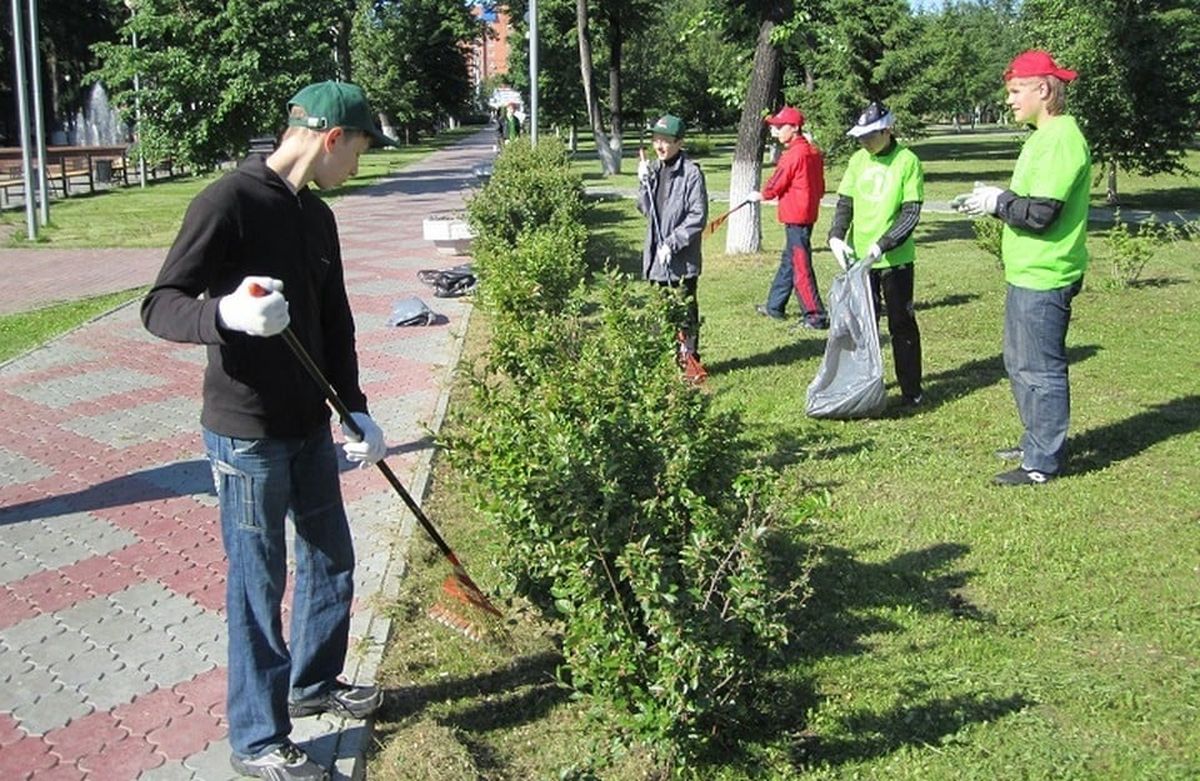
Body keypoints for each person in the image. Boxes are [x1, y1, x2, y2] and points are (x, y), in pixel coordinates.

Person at [141, 80, 395, 780]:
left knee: (331, 560)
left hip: (310, 426)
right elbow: (160, 306)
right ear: (332, 138)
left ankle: (313, 683)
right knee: (258, 583)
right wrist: (223, 314)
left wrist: (357, 407)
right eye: (362, 152)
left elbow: (334, 324)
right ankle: (257, 738)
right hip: (245, 434)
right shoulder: (228, 202)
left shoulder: (318, 218)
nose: (359, 169)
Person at [954, 50, 1090, 486]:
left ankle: (1041, 464)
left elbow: (1041, 213)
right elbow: (1025, 206)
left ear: (1044, 90)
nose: (1010, 100)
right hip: (1026, 273)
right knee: (1019, 363)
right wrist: (993, 204)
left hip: (1047, 275)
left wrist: (1000, 201)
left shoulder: (1061, 139)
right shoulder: (1039, 137)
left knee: (1040, 369)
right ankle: (1036, 441)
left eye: (1015, 91)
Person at [828, 100, 925, 407]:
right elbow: (845, 202)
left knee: (901, 325)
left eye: (870, 136)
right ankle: (865, 384)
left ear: (887, 130)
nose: (864, 142)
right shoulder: (858, 160)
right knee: (861, 326)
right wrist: (835, 236)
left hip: (894, 261)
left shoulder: (907, 161)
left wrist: (883, 243)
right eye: (861, 137)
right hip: (859, 261)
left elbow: (910, 214)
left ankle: (911, 390)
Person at [636, 113, 709, 377]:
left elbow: (697, 216)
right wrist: (643, 183)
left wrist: (673, 243)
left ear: (679, 142)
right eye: (656, 140)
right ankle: (667, 361)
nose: (660, 146)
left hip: (681, 259)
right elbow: (646, 210)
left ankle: (689, 361)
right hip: (657, 258)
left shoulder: (691, 173)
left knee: (685, 312)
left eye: (666, 141)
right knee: (660, 311)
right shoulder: (654, 169)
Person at [749, 106, 827, 330]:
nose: (775, 131)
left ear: (794, 128)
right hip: (807, 213)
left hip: (796, 215)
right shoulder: (812, 151)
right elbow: (820, 186)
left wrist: (762, 194)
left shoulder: (794, 154)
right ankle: (775, 306)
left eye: (779, 127)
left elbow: (778, 181)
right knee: (789, 261)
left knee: (801, 265)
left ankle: (815, 315)